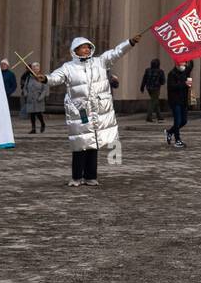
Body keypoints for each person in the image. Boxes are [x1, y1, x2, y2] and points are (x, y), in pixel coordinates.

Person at [38, 34, 139, 186]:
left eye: (87, 47)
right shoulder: (68, 67)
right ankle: (76, 177)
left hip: (98, 110)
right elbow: (56, 77)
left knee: (94, 143)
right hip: (80, 111)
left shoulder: (101, 62)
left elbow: (117, 52)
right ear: (75, 50)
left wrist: (130, 43)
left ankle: (91, 176)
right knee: (79, 144)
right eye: (82, 48)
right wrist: (45, 78)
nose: (86, 50)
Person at [165, 61, 193, 148]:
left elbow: (191, 66)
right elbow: (172, 86)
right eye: (182, 63)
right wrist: (184, 84)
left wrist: (189, 55)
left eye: (185, 63)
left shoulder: (185, 72)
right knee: (177, 121)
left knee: (184, 121)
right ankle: (177, 140)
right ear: (177, 64)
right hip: (175, 100)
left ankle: (170, 132)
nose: (184, 65)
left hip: (183, 100)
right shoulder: (172, 73)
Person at [20, 61, 47, 132]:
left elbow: (44, 89)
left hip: (38, 99)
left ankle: (42, 124)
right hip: (30, 98)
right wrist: (26, 94)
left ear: (39, 69)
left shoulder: (42, 77)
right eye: (33, 68)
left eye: (36, 68)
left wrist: (40, 97)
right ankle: (33, 128)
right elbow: (25, 87)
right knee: (32, 114)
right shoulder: (29, 78)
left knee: (38, 114)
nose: (35, 69)